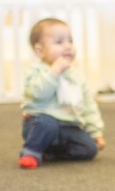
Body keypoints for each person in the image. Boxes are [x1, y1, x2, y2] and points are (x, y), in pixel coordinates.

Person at [19, 18, 105, 169]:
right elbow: (38, 94)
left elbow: (88, 105)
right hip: (40, 124)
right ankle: (31, 152)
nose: (67, 46)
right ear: (40, 51)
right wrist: (54, 72)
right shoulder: (37, 71)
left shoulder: (76, 75)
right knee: (46, 123)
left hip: (69, 126)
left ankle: (51, 153)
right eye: (59, 42)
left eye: (70, 41)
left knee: (89, 149)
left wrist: (95, 131)